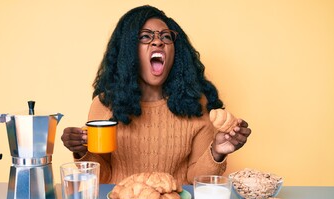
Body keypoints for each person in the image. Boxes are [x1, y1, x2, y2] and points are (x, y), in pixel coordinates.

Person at [61, 5, 251, 185]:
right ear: (129, 51)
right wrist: (81, 151)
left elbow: (196, 179)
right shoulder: (104, 104)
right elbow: (103, 178)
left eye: (166, 36)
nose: (158, 41)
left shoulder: (196, 104)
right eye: (145, 36)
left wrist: (217, 151)